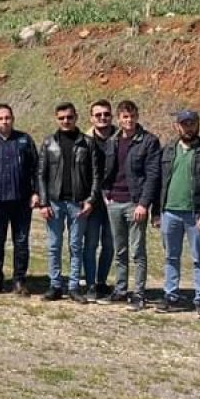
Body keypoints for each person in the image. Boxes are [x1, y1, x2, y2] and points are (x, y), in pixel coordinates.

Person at [155, 110, 200, 319]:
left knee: (199, 258)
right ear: (177, 126)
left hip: (196, 215)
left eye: (192, 123)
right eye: (184, 124)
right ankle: (170, 295)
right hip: (170, 212)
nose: (188, 128)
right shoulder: (168, 150)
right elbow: (160, 182)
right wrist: (156, 213)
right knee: (170, 256)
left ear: (198, 125)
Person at [37, 103, 102, 303]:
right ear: (56, 119)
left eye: (69, 117)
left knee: (76, 246)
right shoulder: (49, 143)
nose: (66, 121)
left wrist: (91, 200)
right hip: (55, 203)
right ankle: (55, 285)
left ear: (76, 117)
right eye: (62, 118)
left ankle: (74, 287)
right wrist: (43, 203)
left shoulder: (88, 143)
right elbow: (41, 175)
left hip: (78, 203)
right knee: (54, 246)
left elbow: (96, 176)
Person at [100, 100, 162, 311]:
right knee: (120, 250)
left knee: (137, 251)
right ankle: (120, 289)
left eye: (132, 116)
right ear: (119, 119)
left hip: (135, 203)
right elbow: (104, 170)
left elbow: (153, 175)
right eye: (124, 117)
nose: (128, 120)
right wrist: (105, 194)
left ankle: (139, 293)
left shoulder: (148, 141)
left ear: (137, 117)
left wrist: (144, 204)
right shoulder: (112, 141)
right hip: (114, 201)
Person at [0, 104, 38, 297]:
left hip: (21, 200)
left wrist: (36, 192)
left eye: (7, 118)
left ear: (13, 119)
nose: (4, 121)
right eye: (0, 118)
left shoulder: (24, 140)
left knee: (21, 241)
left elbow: (36, 169)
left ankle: (19, 280)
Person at [84, 99, 117, 300]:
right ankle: (89, 284)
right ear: (91, 118)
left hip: (115, 199)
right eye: (98, 115)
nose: (102, 118)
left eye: (106, 114)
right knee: (90, 243)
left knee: (110, 244)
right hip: (93, 199)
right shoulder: (84, 140)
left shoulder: (121, 138)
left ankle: (102, 281)